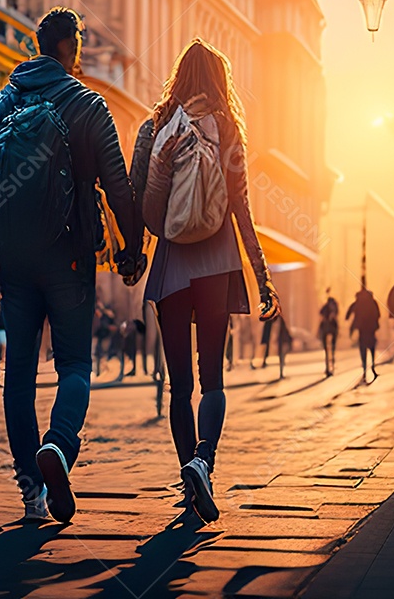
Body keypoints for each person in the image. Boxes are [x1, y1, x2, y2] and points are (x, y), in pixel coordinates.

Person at [0, 7, 144, 524]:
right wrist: (132, 246)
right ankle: (57, 446)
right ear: (72, 48)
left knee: (18, 377)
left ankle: (31, 493)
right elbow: (118, 184)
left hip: (11, 259)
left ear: (36, 46)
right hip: (70, 254)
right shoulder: (87, 104)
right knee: (75, 365)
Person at [131, 38, 281, 525]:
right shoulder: (228, 128)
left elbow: (143, 208)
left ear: (179, 76)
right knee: (212, 379)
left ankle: (188, 481)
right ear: (219, 80)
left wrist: (130, 256)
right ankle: (204, 462)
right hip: (217, 268)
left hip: (172, 268)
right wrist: (263, 279)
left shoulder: (157, 126)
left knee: (178, 388)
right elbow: (241, 208)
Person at [346, 281, 380, 383]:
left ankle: (365, 369)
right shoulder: (372, 302)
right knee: (372, 348)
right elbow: (378, 314)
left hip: (362, 330)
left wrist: (352, 326)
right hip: (371, 330)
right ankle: (373, 366)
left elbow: (349, 313)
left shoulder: (358, 302)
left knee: (363, 349)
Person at [318, 289, 340, 377]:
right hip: (332, 329)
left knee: (326, 350)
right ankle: (332, 365)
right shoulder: (334, 308)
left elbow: (320, 313)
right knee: (332, 348)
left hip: (325, 329)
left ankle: (328, 367)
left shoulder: (325, 307)